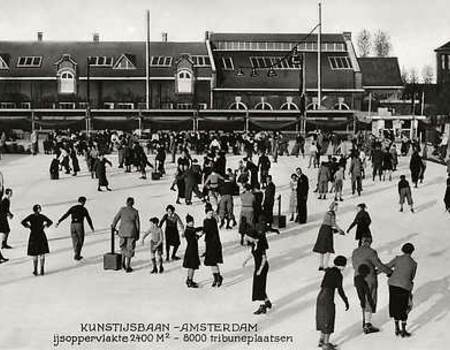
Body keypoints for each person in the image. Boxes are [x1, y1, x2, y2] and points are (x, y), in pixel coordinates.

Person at [352, 236, 392, 334]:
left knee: (362, 299)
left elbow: (354, 266)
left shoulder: (355, 251)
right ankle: (367, 325)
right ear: (370, 242)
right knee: (369, 300)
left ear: (362, 241)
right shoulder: (371, 252)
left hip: (357, 279)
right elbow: (379, 265)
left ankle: (365, 320)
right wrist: (389, 272)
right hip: (369, 280)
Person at [315, 255, 350, 350]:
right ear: (342, 265)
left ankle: (321, 340)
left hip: (320, 295)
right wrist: (346, 301)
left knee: (322, 317)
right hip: (328, 297)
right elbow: (340, 290)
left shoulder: (329, 271)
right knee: (329, 318)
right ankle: (326, 344)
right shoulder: (338, 274)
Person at [386, 243, 417, 338]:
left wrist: (378, 271)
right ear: (412, 251)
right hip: (404, 286)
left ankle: (396, 328)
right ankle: (403, 330)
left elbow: (387, 266)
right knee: (404, 307)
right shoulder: (414, 263)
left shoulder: (398, 259)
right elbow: (412, 277)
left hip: (393, 285)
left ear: (402, 249)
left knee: (395, 305)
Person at [242, 221, 272, 315]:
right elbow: (253, 253)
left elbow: (264, 258)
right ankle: (267, 302)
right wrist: (246, 260)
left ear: (252, 237)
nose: (248, 240)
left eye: (248, 238)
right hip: (258, 267)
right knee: (258, 285)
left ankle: (262, 306)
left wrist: (259, 270)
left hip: (262, 267)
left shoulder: (260, 244)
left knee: (259, 286)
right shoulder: (254, 244)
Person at [55, 196, 95, 261]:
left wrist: (59, 221)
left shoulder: (73, 208)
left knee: (74, 240)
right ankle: (77, 254)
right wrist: (91, 227)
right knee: (80, 240)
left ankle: (76, 253)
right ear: (84, 202)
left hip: (72, 225)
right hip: (79, 224)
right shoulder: (84, 209)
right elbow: (88, 218)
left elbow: (66, 214)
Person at [21, 204, 53, 276]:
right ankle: (42, 269)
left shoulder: (31, 216)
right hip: (41, 234)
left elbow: (23, 222)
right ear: (39, 209)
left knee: (34, 253)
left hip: (33, 235)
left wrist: (28, 226)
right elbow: (50, 222)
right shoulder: (42, 216)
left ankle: (35, 270)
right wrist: (45, 226)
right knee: (42, 252)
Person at [313, 201, 345, 270]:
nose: (337, 209)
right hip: (328, 230)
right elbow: (333, 224)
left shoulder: (326, 213)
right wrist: (339, 230)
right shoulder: (332, 214)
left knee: (321, 248)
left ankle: (321, 265)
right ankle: (326, 266)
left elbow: (327, 222)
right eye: (336, 207)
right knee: (328, 249)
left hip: (322, 229)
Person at [111, 197, 140, 273]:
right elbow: (137, 224)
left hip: (122, 232)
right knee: (130, 249)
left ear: (126, 203)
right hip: (132, 232)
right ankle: (128, 266)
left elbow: (116, 218)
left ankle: (122, 263)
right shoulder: (135, 212)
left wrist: (113, 226)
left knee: (123, 247)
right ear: (133, 203)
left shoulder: (122, 210)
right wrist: (138, 234)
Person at [203, 205, 223, 287]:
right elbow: (206, 230)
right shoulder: (205, 221)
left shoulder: (214, 220)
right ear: (206, 213)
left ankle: (218, 277)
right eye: (209, 213)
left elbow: (208, 230)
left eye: (211, 213)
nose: (211, 214)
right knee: (211, 262)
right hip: (209, 242)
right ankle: (216, 278)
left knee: (214, 261)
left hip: (214, 243)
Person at [182, 214, 204, 288]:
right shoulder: (188, 230)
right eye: (190, 222)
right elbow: (194, 235)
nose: (192, 223)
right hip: (191, 250)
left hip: (193, 249)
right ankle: (190, 281)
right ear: (187, 223)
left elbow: (196, 231)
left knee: (191, 267)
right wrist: (199, 235)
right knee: (192, 266)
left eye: (192, 221)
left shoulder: (191, 229)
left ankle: (189, 279)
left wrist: (200, 234)